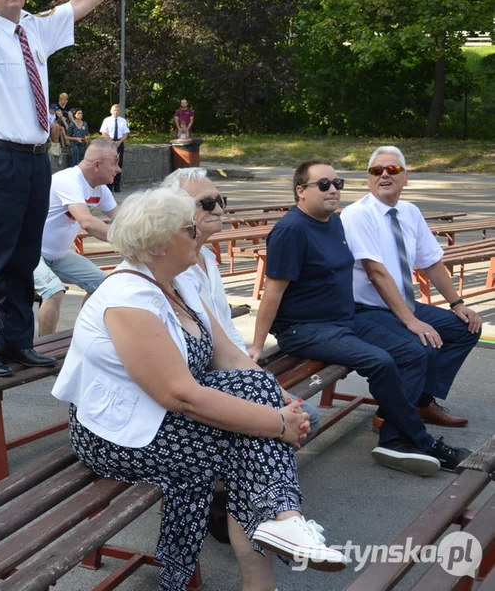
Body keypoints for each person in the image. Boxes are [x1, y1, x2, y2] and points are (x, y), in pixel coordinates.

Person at [53, 186, 345, 590]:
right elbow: (179, 395)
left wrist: (283, 402)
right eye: (190, 228)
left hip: (163, 412)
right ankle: (278, 533)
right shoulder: (127, 298)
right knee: (250, 443)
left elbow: (230, 358)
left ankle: (282, 525)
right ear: (158, 243)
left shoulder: (180, 281)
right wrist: (277, 423)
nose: (200, 233)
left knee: (253, 413)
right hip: (119, 433)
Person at [0, 0, 156, 376]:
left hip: (34, 159)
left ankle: (15, 342)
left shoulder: (34, 27)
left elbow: (82, 2)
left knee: (25, 256)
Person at [251, 160, 471, 476]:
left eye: (337, 183)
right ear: (301, 191)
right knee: (381, 361)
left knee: (414, 352)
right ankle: (423, 442)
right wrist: (257, 345)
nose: (333, 190)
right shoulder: (291, 230)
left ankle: (393, 439)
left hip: (344, 318)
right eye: (323, 184)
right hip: (305, 329)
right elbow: (272, 292)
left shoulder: (334, 222)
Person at [162, 166, 322, 547]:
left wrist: (262, 380)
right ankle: (245, 510)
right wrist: (260, 393)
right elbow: (185, 375)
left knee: (297, 415)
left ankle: (246, 509)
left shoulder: (206, 261)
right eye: (207, 203)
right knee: (291, 422)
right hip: (188, 384)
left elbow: (226, 338)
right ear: (175, 212)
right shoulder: (167, 272)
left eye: (221, 200)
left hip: (217, 371)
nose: (219, 208)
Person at [341, 146, 481, 431]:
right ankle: (390, 414)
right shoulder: (358, 214)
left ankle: (420, 402)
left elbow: (431, 263)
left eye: (392, 170)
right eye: (376, 170)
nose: (383, 175)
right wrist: (411, 321)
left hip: (403, 306)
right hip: (366, 310)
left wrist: (458, 304)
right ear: (368, 178)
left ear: (406, 178)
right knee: (422, 344)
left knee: (467, 328)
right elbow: (376, 272)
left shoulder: (409, 211)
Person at [38, 139, 120, 295]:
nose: (118, 169)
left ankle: (86, 320)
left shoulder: (100, 189)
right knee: (54, 291)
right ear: (96, 165)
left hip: (59, 256)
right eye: (114, 163)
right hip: (33, 253)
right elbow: (86, 221)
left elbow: (123, 218)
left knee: (105, 286)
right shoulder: (69, 180)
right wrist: (124, 240)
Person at [99, 104, 130, 192]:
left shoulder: (123, 121)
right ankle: (109, 185)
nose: (116, 112)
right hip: (109, 143)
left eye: (117, 110)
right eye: (114, 110)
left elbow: (125, 133)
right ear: (111, 111)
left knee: (118, 164)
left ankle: (117, 185)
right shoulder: (107, 120)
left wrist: (119, 142)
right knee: (109, 164)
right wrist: (112, 142)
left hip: (119, 143)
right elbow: (104, 133)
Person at [32, 259, 66, 337]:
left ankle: (90, 344)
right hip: (30, 253)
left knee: (99, 282)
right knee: (54, 291)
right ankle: (45, 345)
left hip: (58, 255)